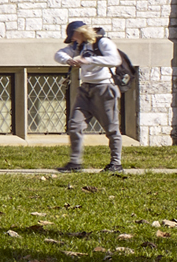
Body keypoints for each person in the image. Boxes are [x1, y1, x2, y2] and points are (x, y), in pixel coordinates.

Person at [53, 20, 128, 172]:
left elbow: (115, 59)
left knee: (111, 128)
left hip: (104, 88)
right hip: (85, 89)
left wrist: (89, 60)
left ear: (79, 32)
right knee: (75, 125)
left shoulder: (103, 42)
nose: (72, 40)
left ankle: (116, 164)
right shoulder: (78, 47)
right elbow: (58, 54)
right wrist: (68, 59)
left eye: (73, 36)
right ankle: (75, 163)